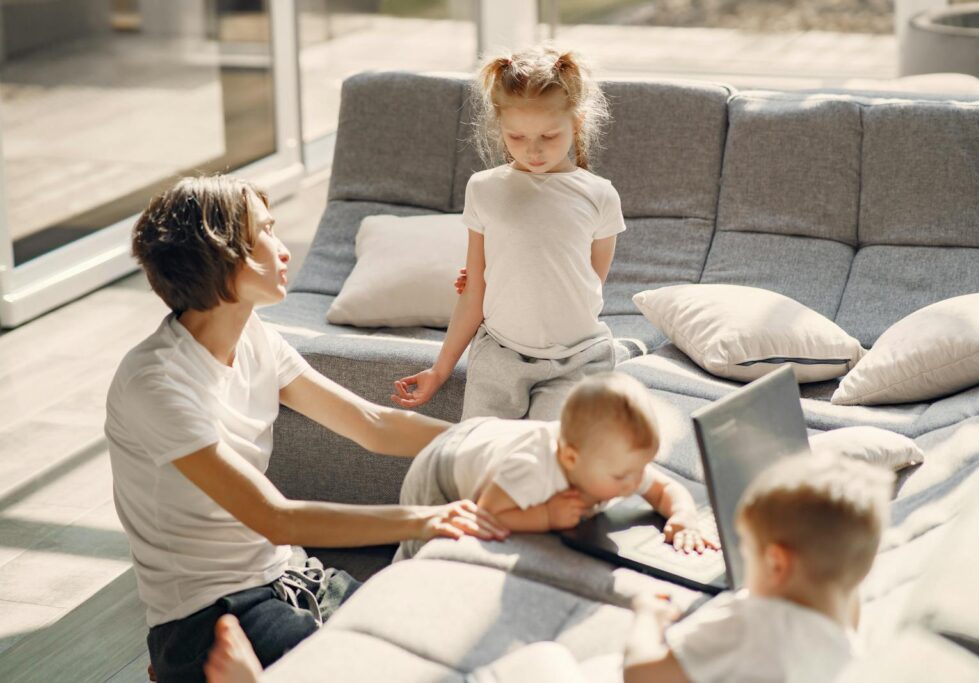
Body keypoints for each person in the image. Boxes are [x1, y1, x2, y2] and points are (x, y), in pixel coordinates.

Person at [106, 175, 507, 683]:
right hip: (209, 616)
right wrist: (425, 520)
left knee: (432, 648)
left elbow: (372, 424)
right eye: (265, 233)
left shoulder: (254, 339)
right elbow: (276, 518)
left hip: (291, 577)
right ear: (221, 254)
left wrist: (493, 439)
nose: (282, 248)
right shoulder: (155, 383)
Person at [391, 44, 625, 421]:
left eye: (549, 136)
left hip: (577, 359)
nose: (532, 151)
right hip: (499, 356)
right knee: (483, 460)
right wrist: (440, 369)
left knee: (554, 464)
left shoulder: (600, 195)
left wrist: (526, 273)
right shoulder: (483, 189)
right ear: (500, 128)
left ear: (576, 123)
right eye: (516, 137)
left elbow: (590, 282)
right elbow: (475, 292)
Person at [623, 453, 894, 683]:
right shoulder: (852, 644)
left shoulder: (747, 623)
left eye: (746, 552)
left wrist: (647, 615)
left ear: (776, 563)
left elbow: (641, 674)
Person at [394, 372, 721, 561]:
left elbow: (666, 489)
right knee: (426, 542)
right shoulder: (533, 469)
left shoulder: (620, 465)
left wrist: (684, 517)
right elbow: (487, 512)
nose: (635, 483)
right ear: (570, 459)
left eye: (642, 468)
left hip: (494, 440)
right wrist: (546, 516)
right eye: (623, 476)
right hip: (442, 470)